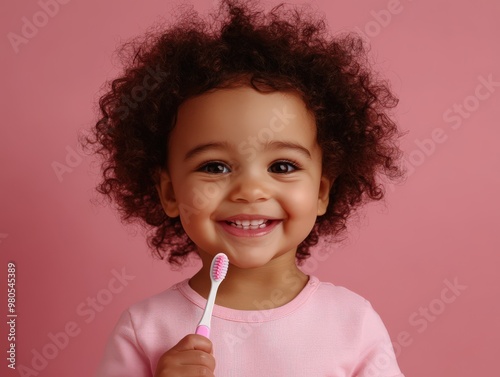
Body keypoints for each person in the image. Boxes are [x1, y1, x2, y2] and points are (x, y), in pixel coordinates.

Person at [86, 0, 406, 375]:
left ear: (321, 192)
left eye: (282, 166)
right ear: (170, 193)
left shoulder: (353, 323)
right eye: (215, 166)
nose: (251, 190)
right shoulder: (145, 329)